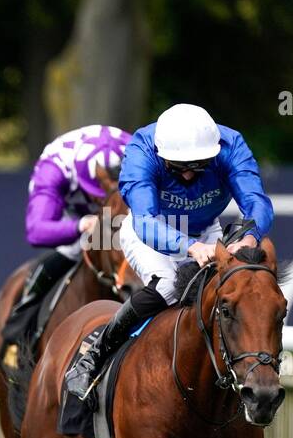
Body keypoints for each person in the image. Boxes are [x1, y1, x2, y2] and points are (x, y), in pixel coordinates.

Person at [64, 103, 275, 399]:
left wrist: (251, 236)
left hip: (204, 228)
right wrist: (190, 247)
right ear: (162, 155)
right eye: (178, 168)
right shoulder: (141, 150)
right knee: (167, 286)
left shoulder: (230, 145)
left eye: (198, 167)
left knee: (235, 290)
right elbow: (145, 222)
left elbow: (257, 202)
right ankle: (94, 356)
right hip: (149, 230)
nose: (188, 176)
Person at [3, 125, 132, 353]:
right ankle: (19, 330)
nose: (103, 199)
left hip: (125, 208)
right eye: (99, 193)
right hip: (74, 212)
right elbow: (36, 230)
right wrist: (81, 225)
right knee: (73, 248)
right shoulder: (54, 170)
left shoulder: (139, 155)